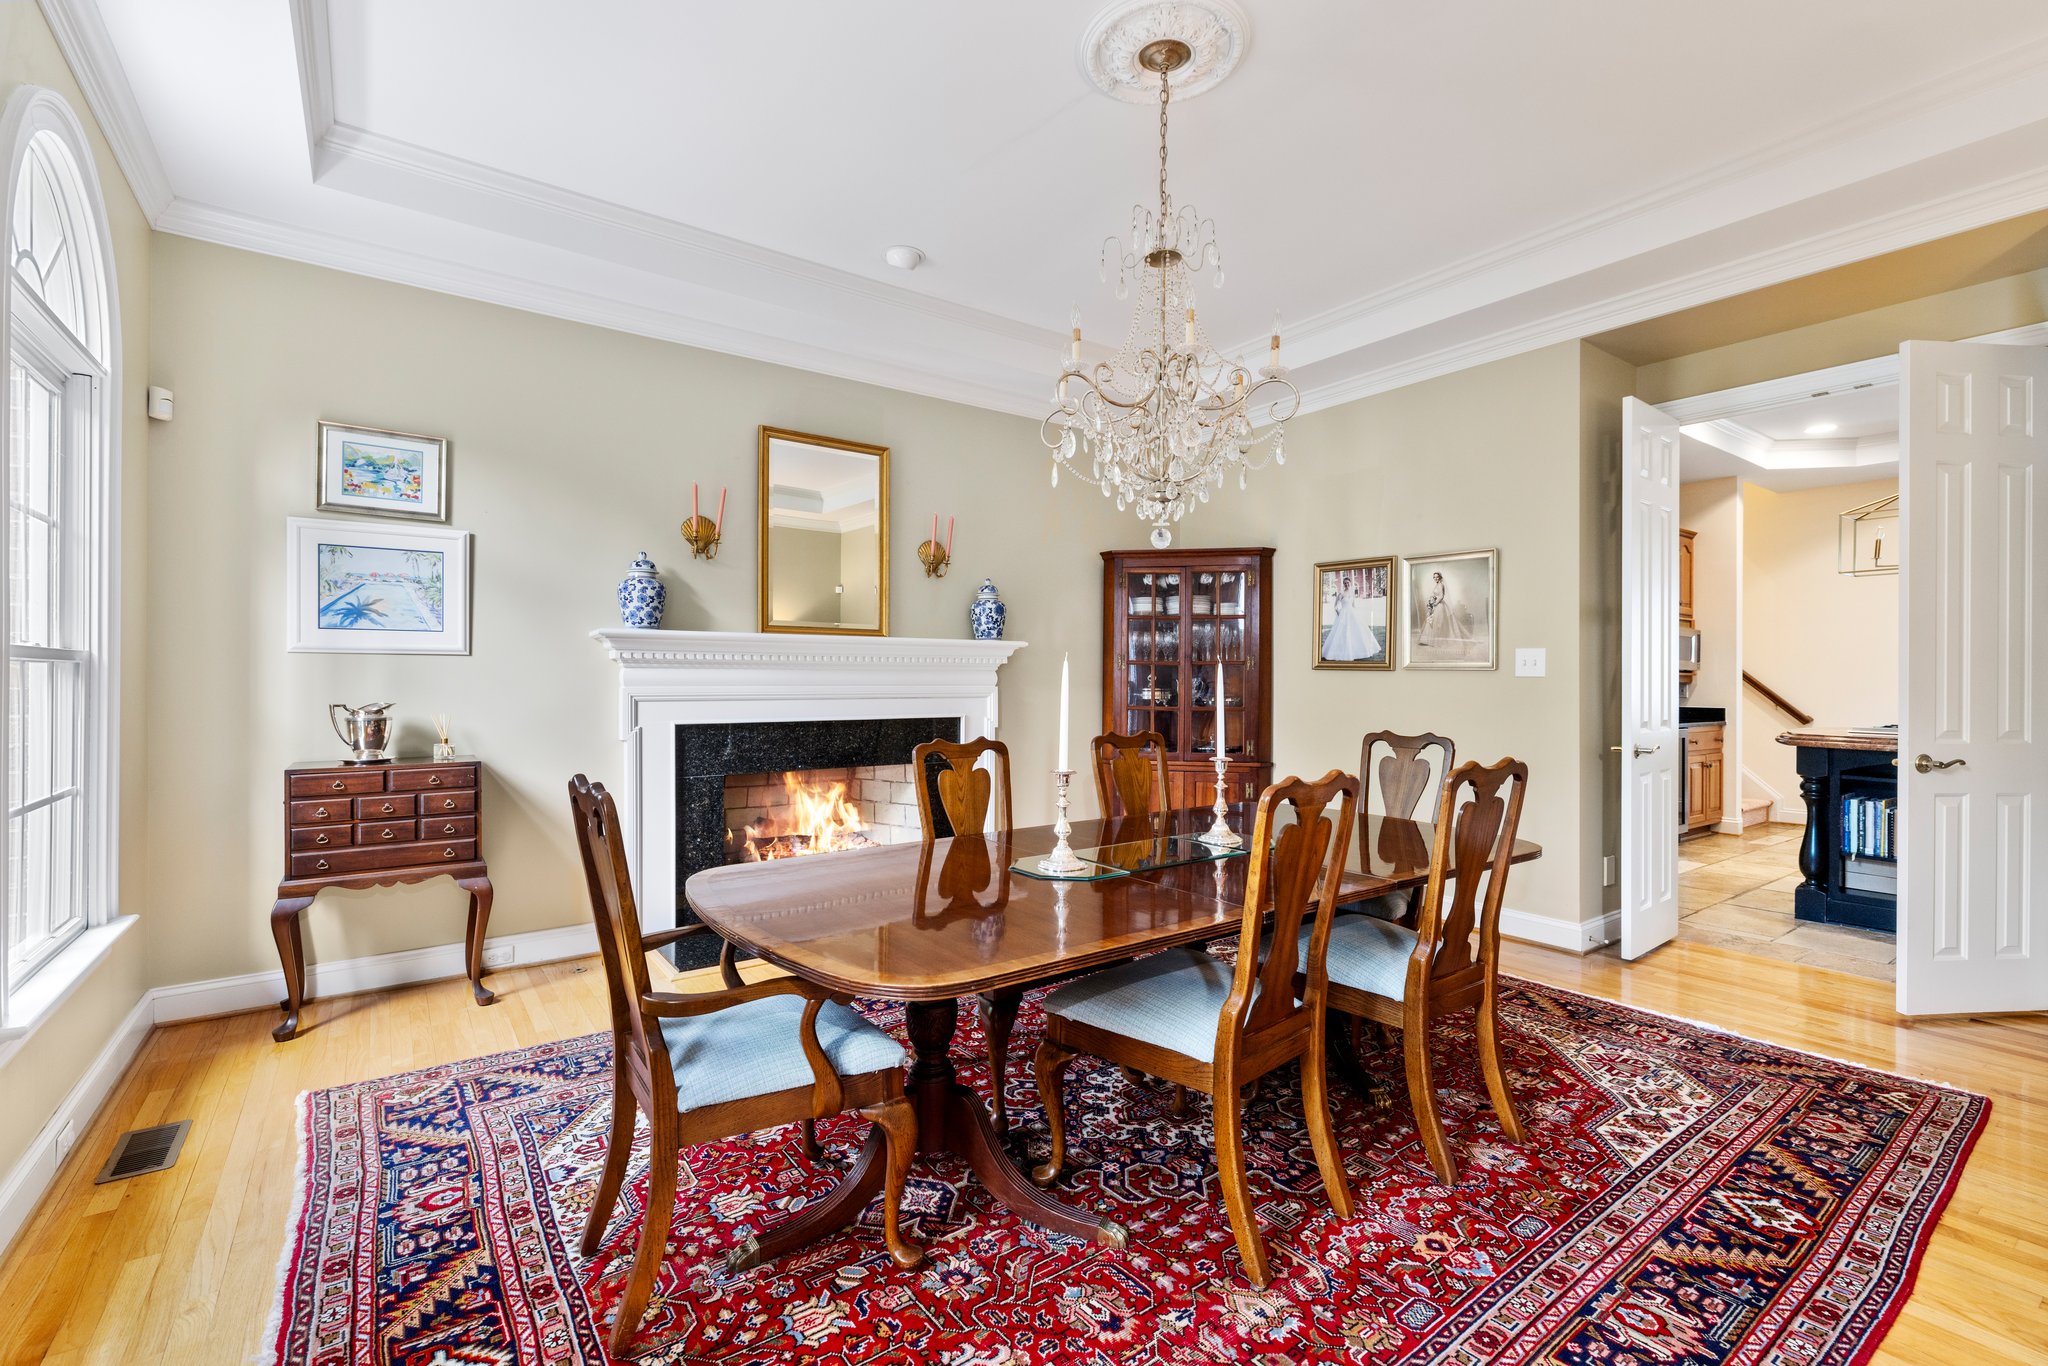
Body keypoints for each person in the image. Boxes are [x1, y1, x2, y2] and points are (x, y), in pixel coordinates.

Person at [1322, 574, 1382, 662]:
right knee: (1343, 632)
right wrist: (1339, 614)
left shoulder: (1352, 593)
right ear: (1343, 584)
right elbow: (1335, 606)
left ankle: (1357, 650)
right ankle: (1340, 651)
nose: (1347, 584)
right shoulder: (1340, 594)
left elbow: (1353, 605)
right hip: (1343, 614)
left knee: (1357, 631)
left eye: (1348, 583)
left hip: (1352, 614)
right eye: (1345, 583)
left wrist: (1356, 614)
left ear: (1350, 583)